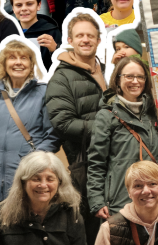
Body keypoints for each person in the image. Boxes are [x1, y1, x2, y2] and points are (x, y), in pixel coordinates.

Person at [0, 38, 60, 208]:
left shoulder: (43, 93)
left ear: (31, 64)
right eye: (12, 58)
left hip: (27, 174)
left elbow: (52, 135)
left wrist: (34, 161)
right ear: (4, 64)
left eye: (24, 58)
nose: (18, 63)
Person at [88, 57, 158, 219]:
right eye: (129, 76)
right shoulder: (106, 115)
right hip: (121, 200)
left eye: (140, 77)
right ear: (118, 79)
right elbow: (97, 162)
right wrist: (97, 200)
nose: (135, 81)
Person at [46, 13, 108, 244]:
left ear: (98, 40)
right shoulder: (62, 77)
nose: (85, 40)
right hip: (85, 165)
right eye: (79, 35)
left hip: (110, 161)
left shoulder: (103, 71)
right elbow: (62, 123)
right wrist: (105, 128)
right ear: (70, 40)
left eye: (90, 35)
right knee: (90, 228)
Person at [0, 150, 86, 245]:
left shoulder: (72, 216)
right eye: (36, 179)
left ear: (60, 183)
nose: (43, 185)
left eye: (50, 179)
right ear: (23, 183)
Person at [95, 161, 158, 245]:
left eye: (152, 184)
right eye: (138, 185)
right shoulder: (108, 230)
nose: (146, 191)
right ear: (129, 192)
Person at [9, 0, 61, 69]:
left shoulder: (51, 31)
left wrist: (54, 50)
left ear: (39, 5)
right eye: (19, 5)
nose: (24, 8)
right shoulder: (8, 31)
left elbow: (63, 66)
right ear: (13, 8)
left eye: (29, 4)